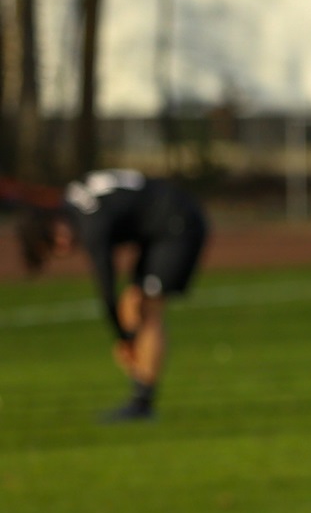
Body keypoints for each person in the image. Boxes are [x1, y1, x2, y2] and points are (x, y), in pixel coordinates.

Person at [16, 170, 209, 423]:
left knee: (146, 308)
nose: (62, 249)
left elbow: (106, 289)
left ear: (55, 227)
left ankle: (142, 404)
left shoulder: (89, 223)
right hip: (162, 226)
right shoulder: (74, 204)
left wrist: (123, 339)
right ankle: (140, 394)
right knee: (132, 306)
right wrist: (124, 335)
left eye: (53, 244)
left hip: (178, 225)